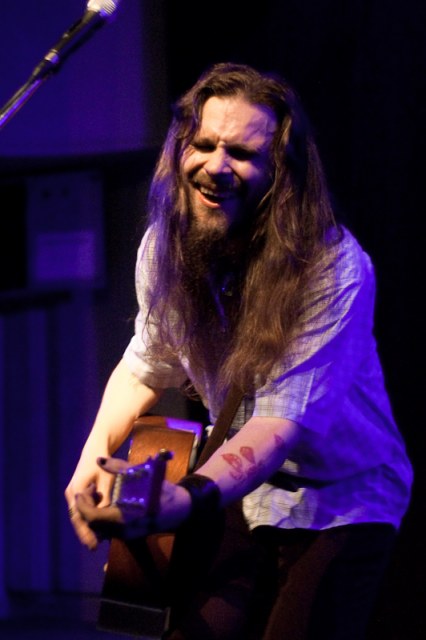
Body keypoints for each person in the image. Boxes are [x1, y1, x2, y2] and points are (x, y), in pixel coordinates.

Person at [65, 62, 413, 639]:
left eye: (242, 153)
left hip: (338, 498)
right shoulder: (165, 245)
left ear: (280, 171)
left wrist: (185, 501)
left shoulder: (332, 267)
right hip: (236, 490)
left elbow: (278, 425)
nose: (215, 165)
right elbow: (146, 364)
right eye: (203, 145)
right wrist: (91, 459)